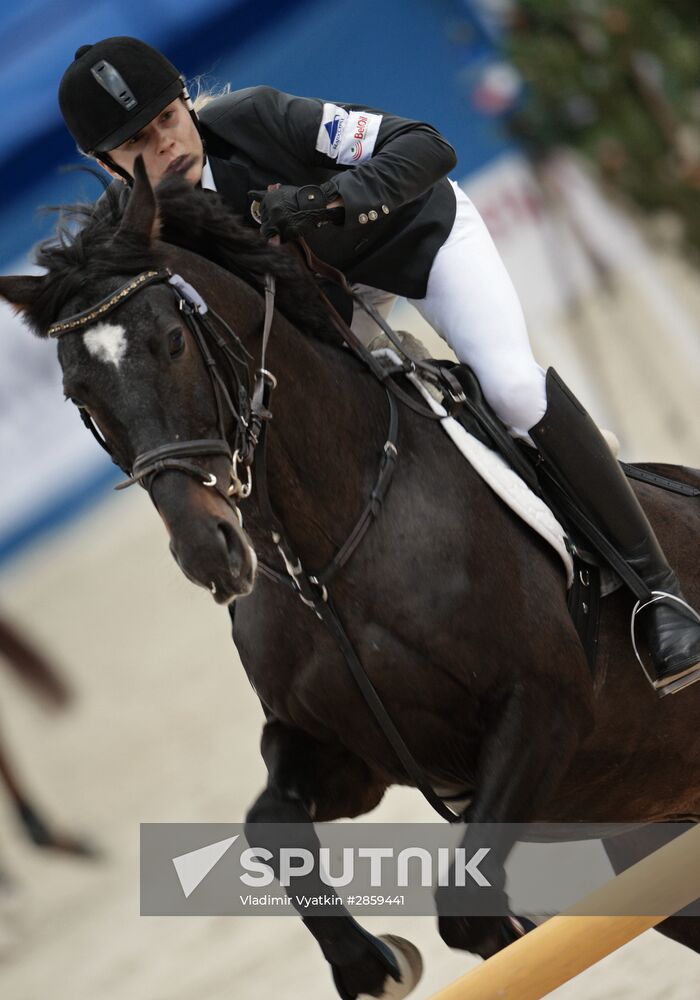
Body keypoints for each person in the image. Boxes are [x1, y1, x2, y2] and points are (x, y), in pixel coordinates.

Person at [57, 36, 700, 693]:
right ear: (107, 164)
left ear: (186, 103)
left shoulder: (261, 118)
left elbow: (425, 145)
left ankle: (660, 593)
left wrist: (325, 201)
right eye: (138, 142)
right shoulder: (131, 235)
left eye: (168, 117)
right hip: (326, 306)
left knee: (508, 387)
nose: (166, 145)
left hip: (415, 240)